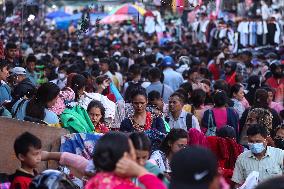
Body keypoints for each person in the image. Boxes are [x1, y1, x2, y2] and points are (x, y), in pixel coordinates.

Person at [85, 132, 166, 189]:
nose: (140, 162)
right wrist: (141, 172)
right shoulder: (121, 185)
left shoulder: (95, 181)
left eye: (144, 157)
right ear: (125, 156)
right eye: (132, 152)